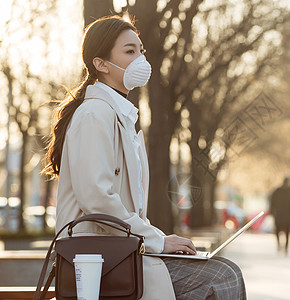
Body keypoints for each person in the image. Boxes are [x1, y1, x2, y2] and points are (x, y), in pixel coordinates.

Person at [42, 15, 245, 300]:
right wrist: (158, 240)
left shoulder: (118, 115)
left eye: (141, 51)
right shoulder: (94, 115)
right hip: (97, 261)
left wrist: (157, 239)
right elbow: (97, 199)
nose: (140, 59)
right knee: (222, 277)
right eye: (129, 51)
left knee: (225, 271)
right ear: (100, 64)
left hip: (120, 253)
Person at [269, 177, 290, 254]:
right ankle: (285, 247)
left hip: (280, 213)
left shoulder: (278, 191)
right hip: (286, 214)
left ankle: (280, 245)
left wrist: (272, 210)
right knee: (287, 231)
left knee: (278, 230)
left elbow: (272, 201)